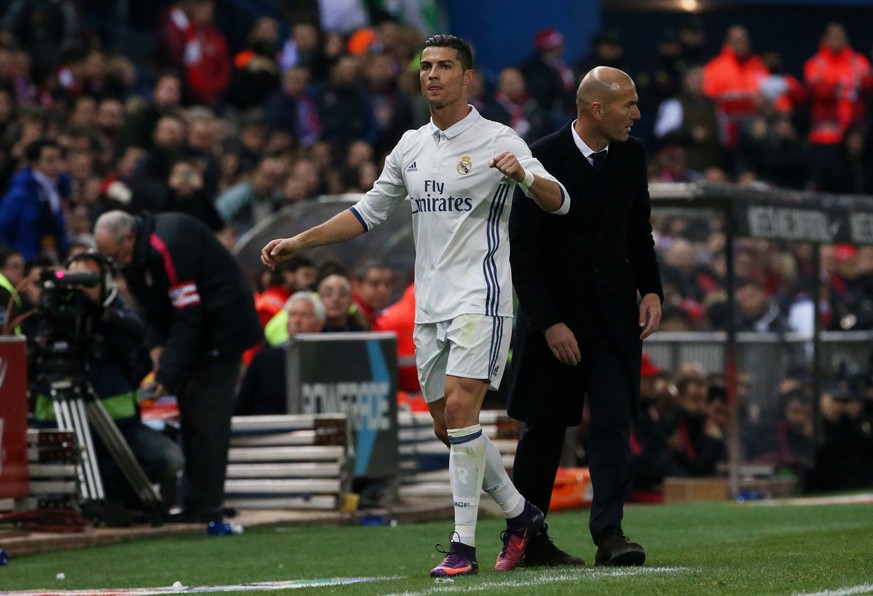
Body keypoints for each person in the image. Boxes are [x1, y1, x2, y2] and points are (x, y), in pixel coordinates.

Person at [261, 34, 570, 577]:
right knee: (448, 429)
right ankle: (523, 515)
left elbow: (560, 200)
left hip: (483, 296)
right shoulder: (409, 146)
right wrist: (298, 243)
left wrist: (524, 175)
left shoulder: (500, 139)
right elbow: (366, 212)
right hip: (430, 304)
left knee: (460, 413)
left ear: (467, 77)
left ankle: (462, 547)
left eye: (444, 66)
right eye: (426, 66)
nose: (432, 75)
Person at [507, 66, 663, 567]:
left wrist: (653, 290)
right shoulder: (542, 157)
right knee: (544, 428)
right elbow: (523, 251)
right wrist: (549, 321)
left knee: (614, 422)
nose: (637, 114)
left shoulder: (632, 156)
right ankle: (528, 538)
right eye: (629, 105)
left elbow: (639, 231)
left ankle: (610, 533)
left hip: (615, 318)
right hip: (556, 323)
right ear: (596, 109)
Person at [93, 210, 263, 523]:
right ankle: (193, 502)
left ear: (127, 238)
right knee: (192, 416)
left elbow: (189, 316)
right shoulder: (135, 254)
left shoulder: (168, 247)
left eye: (115, 255)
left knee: (206, 418)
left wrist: (166, 375)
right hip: (197, 334)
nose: (115, 263)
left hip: (221, 333)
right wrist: (158, 349)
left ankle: (204, 508)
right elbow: (147, 306)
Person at [30, 250, 184, 512]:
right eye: (72, 280)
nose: (78, 289)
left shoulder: (117, 316)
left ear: (105, 284)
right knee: (53, 480)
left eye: (87, 281)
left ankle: (119, 498)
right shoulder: (49, 315)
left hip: (118, 428)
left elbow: (138, 342)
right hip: (60, 429)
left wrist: (102, 318)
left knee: (168, 459)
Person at [235, 292, 325, 416]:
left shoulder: (329, 361)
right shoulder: (264, 361)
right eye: (292, 315)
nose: (297, 321)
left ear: (319, 325)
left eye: (305, 316)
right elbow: (241, 407)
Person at [0, 138, 69, 261]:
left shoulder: (56, 186)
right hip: (26, 257)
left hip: (49, 255)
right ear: (35, 162)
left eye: (58, 159)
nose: (56, 165)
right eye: (49, 160)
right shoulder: (21, 191)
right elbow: (4, 224)